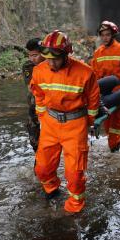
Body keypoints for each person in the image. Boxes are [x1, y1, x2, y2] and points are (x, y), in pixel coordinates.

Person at [30, 30, 100, 213]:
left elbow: (93, 101)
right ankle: (51, 190)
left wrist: (88, 123)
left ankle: (75, 208)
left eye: (56, 59)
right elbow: (38, 94)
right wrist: (43, 117)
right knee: (42, 167)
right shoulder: (39, 71)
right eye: (47, 59)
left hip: (75, 125)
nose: (51, 63)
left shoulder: (85, 73)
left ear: (66, 54)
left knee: (75, 173)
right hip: (50, 123)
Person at [90, 21, 120, 153]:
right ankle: (113, 151)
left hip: (117, 92)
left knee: (116, 124)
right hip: (103, 92)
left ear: (113, 35)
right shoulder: (98, 53)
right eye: (102, 35)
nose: (105, 38)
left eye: (108, 35)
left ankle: (115, 148)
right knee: (108, 124)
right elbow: (95, 76)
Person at [22, 38, 45, 152]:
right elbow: (32, 87)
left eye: (35, 55)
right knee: (34, 141)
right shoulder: (28, 66)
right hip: (34, 106)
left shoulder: (53, 63)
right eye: (30, 55)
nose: (32, 59)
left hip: (51, 108)